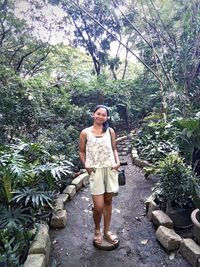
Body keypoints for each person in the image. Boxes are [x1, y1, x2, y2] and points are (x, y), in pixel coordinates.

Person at [79, 105, 120, 246]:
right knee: (98, 206)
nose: (101, 116)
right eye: (98, 113)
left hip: (110, 169)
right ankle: (97, 229)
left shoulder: (110, 131)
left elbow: (114, 149)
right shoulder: (85, 132)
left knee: (108, 202)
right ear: (93, 114)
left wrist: (118, 162)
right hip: (95, 171)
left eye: (104, 115)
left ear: (107, 117)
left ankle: (107, 231)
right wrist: (86, 166)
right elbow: (81, 151)